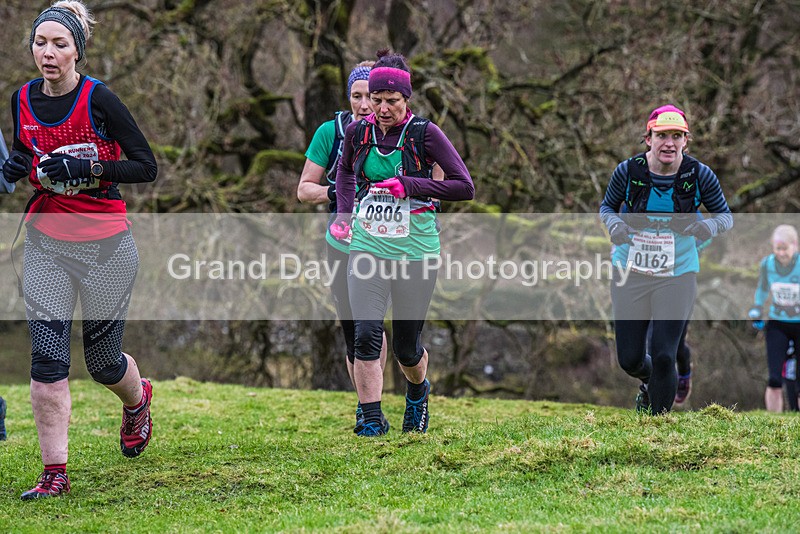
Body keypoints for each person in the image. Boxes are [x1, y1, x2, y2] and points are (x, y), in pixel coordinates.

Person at [2, 1, 157, 499]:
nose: (48, 53)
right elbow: (23, 155)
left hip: (107, 248)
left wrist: (88, 171)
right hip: (46, 244)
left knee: (103, 363)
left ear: (77, 51)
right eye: (40, 43)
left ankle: (137, 399)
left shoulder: (100, 100)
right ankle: (55, 474)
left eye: (59, 44)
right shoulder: (21, 98)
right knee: (47, 359)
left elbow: (145, 166)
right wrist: (10, 173)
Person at [331, 49, 473, 436]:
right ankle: (372, 419)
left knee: (407, 349)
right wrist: (345, 216)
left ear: (406, 100)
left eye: (391, 101)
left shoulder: (426, 134)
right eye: (375, 100)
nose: (381, 108)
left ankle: (417, 391)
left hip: (415, 249)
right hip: (367, 245)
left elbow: (464, 187)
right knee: (365, 334)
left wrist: (409, 185)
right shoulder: (358, 132)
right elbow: (344, 174)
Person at [600, 104, 732, 415]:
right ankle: (649, 380)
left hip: (678, 274)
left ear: (687, 140)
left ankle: (656, 424)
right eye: (661, 135)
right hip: (630, 271)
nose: (669, 143)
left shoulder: (700, 175)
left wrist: (707, 225)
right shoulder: (628, 171)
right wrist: (615, 224)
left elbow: (725, 217)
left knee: (663, 354)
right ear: (648, 138)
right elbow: (607, 207)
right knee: (630, 359)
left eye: (677, 136)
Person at [296, 60, 392, 433]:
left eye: (371, 95)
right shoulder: (330, 132)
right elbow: (304, 189)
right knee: (354, 330)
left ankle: (372, 405)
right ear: (348, 97)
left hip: (385, 243)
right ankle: (364, 402)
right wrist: (337, 191)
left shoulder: (397, 133)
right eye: (357, 96)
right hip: (341, 241)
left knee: (376, 326)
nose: (364, 104)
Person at [748, 224, 800, 413]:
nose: (781, 253)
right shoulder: (767, 264)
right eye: (778, 249)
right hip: (777, 323)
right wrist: (757, 308)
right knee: (774, 378)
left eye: (785, 248)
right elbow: (762, 289)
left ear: (795, 246)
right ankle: (773, 421)